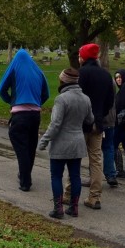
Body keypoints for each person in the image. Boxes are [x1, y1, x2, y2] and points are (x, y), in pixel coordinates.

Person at [64, 43, 114, 210]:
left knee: (74, 158)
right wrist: (99, 115)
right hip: (98, 123)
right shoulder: (106, 75)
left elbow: (75, 98)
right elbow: (109, 101)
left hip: (80, 123)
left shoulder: (80, 74)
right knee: (96, 160)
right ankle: (95, 197)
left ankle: (69, 193)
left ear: (83, 57)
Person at [38, 68, 93, 219]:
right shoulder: (85, 98)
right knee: (75, 176)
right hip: (77, 143)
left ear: (63, 81)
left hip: (61, 144)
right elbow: (90, 120)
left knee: (56, 176)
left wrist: (44, 140)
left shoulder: (61, 99)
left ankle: (58, 208)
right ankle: (74, 208)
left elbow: (55, 124)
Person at [0, 48, 50, 192]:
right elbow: (46, 94)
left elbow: (1, 89)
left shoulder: (14, 67)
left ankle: (25, 181)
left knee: (21, 148)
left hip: (20, 115)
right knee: (31, 146)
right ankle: (25, 174)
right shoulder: (38, 71)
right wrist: (36, 103)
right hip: (35, 115)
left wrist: (12, 102)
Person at [101, 78, 118, 187]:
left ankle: (94, 176)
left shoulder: (96, 79)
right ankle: (111, 174)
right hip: (111, 119)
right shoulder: (110, 80)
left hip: (101, 119)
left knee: (94, 150)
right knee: (108, 147)